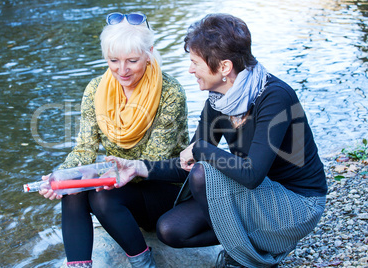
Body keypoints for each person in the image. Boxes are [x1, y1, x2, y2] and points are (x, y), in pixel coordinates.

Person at [107, 13, 327, 268]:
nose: (190, 70)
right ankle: (247, 247)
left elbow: (251, 173)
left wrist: (201, 149)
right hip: (254, 196)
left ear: (224, 67)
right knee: (171, 230)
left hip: (298, 203)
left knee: (203, 172)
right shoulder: (219, 99)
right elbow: (186, 163)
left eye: (195, 63)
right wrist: (138, 167)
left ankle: (243, 258)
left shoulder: (274, 97)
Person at [39, 12, 189, 268]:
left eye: (132, 60)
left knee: (100, 197)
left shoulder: (170, 92)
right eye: (113, 60)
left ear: (149, 53)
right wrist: (60, 177)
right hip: (119, 183)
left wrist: (103, 176)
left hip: (163, 186)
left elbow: (155, 160)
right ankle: (79, 265)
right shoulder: (96, 90)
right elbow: (84, 149)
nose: (122, 70)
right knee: (72, 189)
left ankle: (143, 262)